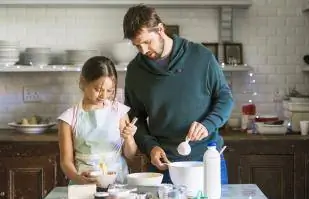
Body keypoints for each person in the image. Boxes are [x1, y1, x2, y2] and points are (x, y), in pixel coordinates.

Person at [123, 4, 234, 183]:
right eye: (137, 46)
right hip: (163, 165)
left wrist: (208, 125)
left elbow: (225, 98)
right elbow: (136, 119)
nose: (143, 50)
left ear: (160, 29)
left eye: (146, 42)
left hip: (207, 161)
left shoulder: (201, 57)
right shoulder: (135, 71)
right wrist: (151, 147)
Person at [58, 56, 138, 185]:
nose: (104, 96)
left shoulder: (119, 111)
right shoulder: (68, 118)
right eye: (98, 89)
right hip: (85, 181)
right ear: (83, 82)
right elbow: (66, 162)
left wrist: (129, 138)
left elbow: (130, 155)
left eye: (109, 91)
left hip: (117, 182)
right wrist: (79, 179)